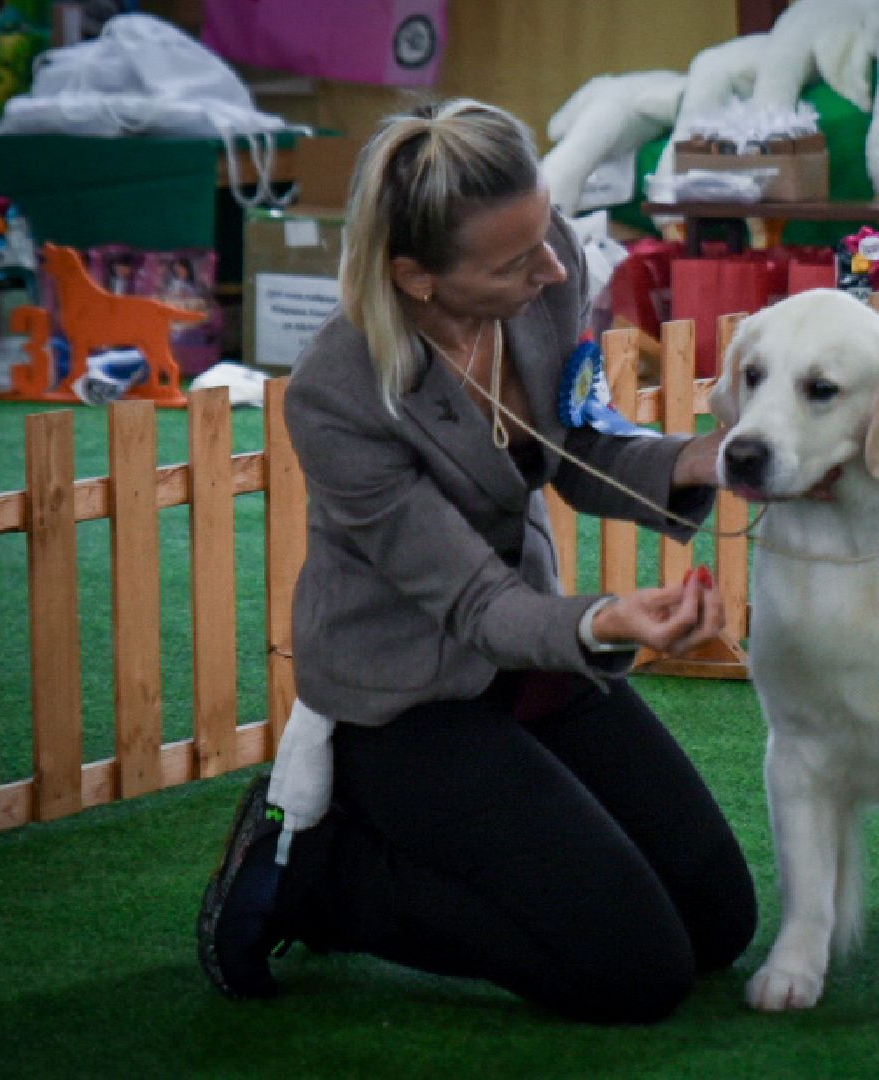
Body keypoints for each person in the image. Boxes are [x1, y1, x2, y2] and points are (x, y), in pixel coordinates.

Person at [195, 98, 756, 1024]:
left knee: (718, 926)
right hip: (408, 694)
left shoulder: (551, 259)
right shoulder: (338, 393)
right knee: (636, 976)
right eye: (512, 261)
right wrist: (605, 620)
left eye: (544, 236)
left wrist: (702, 458)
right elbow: (470, 604)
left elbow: (579, 446)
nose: (552, 266)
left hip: (529, 651)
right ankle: (328, 879)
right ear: (417, 278)